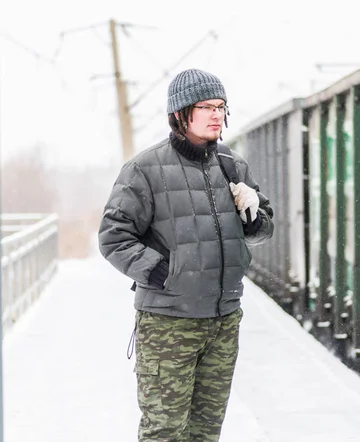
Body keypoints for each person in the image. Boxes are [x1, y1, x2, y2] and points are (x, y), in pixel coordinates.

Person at [98, 68, 274, 441]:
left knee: (206, 432)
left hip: (223, 322)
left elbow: (261, 230)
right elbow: (113, 237)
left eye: (222, 107)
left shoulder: (232, 165)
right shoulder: (144, 170)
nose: (217, 115)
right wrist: (163, 273)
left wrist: (254, 213)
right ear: (180, 113)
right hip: (168, 325)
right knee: (164, 431)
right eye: (206, 106)